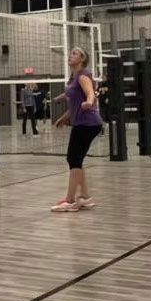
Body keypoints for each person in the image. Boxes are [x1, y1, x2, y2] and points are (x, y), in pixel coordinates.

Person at [52, 47, 102, 212]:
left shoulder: (82, 75)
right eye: (71, 52)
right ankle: (85, 197)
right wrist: (63, 118)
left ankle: (70, 200)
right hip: (83, 123)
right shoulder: (73, 78)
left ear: (82, 59)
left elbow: (90, 93)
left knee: (73, 159)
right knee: (76, 160)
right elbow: (73, 105)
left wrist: (89, 101)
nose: (70, 55)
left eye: (75, 53)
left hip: (87, 123)